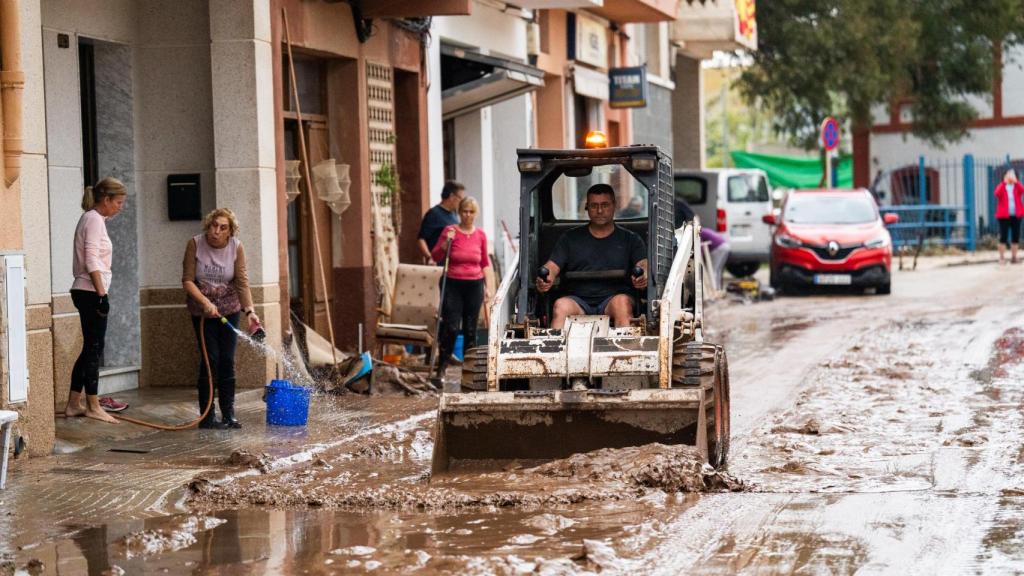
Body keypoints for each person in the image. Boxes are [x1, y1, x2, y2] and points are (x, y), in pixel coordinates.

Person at [182, 208, 260, 429]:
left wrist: (250, 312)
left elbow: (241, 281)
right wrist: (205, 302)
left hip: (229, 309)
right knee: (211, 359)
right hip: (202, 310)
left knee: (227, 359)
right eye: (213, 226)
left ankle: (229, 414)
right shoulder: (195, 244)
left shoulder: (236, 247)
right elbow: (187, 280)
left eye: (223, 227)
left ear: (230, 232)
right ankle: (207, 417)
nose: (216, 231)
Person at [536, 183, 648, 329]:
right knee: (560, 306)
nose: (600, 211)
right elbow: (552, 266)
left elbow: (643, 264)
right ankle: (555, 343)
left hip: (614, 298)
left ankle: (626, 343)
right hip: (577, 300)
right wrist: (546, 277)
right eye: (594, 206)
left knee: (622, 304)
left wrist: (643, 274)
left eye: (605, 205)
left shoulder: (631, 239)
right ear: (587, 207)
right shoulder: (569, 239)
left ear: (614, 205)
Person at [64, 177, 128, 423]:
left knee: (91, 347)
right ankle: (93, 405)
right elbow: (91, 259)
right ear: (106, 199)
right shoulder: (93, 219)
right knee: (94, 348)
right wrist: (102, 294)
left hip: (89, 291)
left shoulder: (95, 219)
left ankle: (73, 404)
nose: (120, 207)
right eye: (118, 202)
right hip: (90, 291)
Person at [431, 197, 492, 376]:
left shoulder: (480, 235)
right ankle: (442, 367)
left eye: (471, 212)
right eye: (465, 211)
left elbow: (484, 262)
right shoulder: (450, 231)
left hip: (474, 284)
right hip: (452, 283)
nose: (467, 215)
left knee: (470, 329)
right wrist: (445, 245)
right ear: (459, 212)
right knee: (451, 326)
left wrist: (488, 286)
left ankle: (469, 371)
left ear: (476, 214)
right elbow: (435, 256)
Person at [417, 181, 466, 265]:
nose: (462, 202)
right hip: (438, 265)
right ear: (451, 196)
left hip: (453, 264)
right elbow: (421, 239)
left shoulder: (454, 214)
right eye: (460, 199)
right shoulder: (434, 214)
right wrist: (430, 257)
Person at [994, 169, 1024, 265]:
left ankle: (1014, 257)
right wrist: (1004, 182)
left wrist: (1016, 182)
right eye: (1008, 175)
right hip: (1004, 216)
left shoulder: (1017, 186)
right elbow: (997, 193)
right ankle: (1002, 258)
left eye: (1012, 175)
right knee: (1003, 236)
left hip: (1016, 215)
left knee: (1015, 236)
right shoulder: (1002, 186)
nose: (1010, 176)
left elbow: (1022, 190)